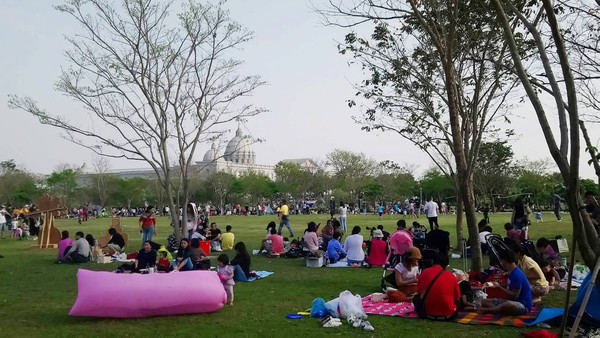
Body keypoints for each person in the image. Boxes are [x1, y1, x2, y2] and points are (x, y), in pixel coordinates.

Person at [479, 250, 532, 316]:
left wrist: (499, 287)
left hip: (523, 305)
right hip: (511, 301)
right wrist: (497, 285)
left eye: (501, 261)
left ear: (505, 261)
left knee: (508, 304)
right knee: (484, 301)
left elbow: (515, 295)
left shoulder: (516, 275)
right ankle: (498, 310)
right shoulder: (512, 272)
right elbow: (511, 286)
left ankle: (492, 310)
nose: (501, 263)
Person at [416, 253, 460, 320]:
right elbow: (457, 298)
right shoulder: (452, 277)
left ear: (432, 262)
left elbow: (419, 292)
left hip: (426, 313)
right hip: (448, 315)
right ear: (446, 265)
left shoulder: (424, 273)